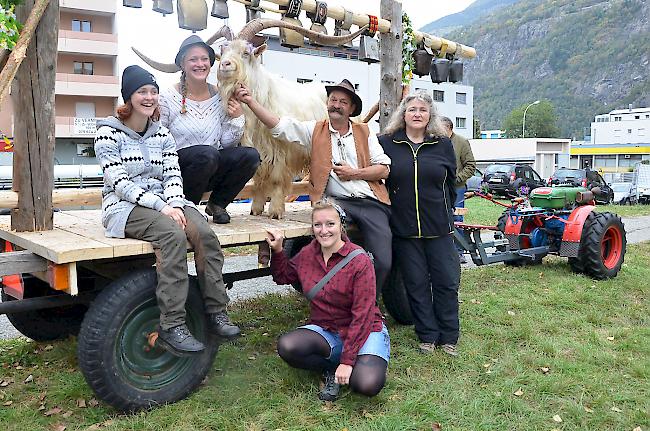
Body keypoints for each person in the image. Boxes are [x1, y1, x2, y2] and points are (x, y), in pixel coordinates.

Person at [94, 65, 241, 356]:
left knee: (204, 233)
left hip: (167, 202)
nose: (149, 97)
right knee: (172, 236)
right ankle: (172, 325)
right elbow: (120, 183)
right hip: (124, 206)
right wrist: (162, 207)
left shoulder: (162, 134)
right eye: (142, 92)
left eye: (153, 92)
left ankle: (216, 312)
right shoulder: (107, 134)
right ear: (128, 97)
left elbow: (173, 174)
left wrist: (174, 203)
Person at [234, 79, 392, 300]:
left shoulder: (365, 132)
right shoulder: (315, 130)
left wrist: (354, 173)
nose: (336, 105)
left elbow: (383, 169)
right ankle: (338, 302)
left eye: (343, 102)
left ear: (352, 108)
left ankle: (367, 305)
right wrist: (250, 101)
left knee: (383, 260)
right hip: (336, 203)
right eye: (333, 100)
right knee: (337, 253)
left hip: (370, 201)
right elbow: (279, 126)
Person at [266, 199, 390, 401]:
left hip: (365, 330)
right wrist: (278, 250)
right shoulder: (308, 253)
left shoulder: (359, 260)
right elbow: (283, 276)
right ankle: (332, 368)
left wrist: (348, 362)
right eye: (318, 225)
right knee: (287, 346)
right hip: (328, 329)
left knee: (366, 384)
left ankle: (359, 361)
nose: (324, 231)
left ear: (341, 225)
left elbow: (363, 315)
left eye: (330, 224)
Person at [379, 91, 461, 357]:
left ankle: (449, 336)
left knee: (446, 281)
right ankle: (427, 335)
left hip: (439, 228)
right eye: (412, 109)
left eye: (422, 110)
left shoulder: (442, 145)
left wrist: (448, 214)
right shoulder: (386, 143)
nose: (417, 114)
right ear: (403, 114)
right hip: (404, 230)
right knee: (415, 284)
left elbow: (450, 184)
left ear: (430, 116)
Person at [159, 35, 260, 224]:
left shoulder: (220, 96)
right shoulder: (167, 97)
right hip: (178, 171)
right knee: (207, 154)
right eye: (193, 59)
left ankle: (217, 204)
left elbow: (226, 143)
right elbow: (158, 140)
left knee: (250, 155)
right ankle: (188, 206)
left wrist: (237, 117)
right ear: (182, 64)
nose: (200, 64)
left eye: (204, 59)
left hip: (210, 165)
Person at [442, 116, 476, 264]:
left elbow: (471, 166)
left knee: (457, 219)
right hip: (439, 188)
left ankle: (459, 252)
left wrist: (456, 180)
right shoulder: (435, 142)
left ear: (449, 128)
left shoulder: (461, 142)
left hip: (458, 189)